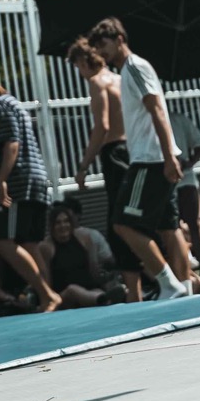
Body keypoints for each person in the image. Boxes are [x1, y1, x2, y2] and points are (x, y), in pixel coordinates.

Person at [86, 17, 191, 301]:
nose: (101, 53)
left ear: (120, 39)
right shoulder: (131, 70)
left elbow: (156, 109)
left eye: (104, 45)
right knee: (169, 227)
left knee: (123, 224)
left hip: (149, 160)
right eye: (97, 48)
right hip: (158, 157)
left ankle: (169, 285)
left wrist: (169, 156)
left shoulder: (133, 68)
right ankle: (186, 289)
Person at [0, 71, 60, 313]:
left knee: (2, 241)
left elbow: (12, 144)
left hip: (21, 183)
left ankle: (46, 294)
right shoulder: (15, 104)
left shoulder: (0, 107)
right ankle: (47, 297)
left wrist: (2, 180)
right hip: (35, 179)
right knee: (29, 243)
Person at [69, 37, 141, 302]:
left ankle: (135, 292)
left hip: (114, 153)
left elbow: (102, 127)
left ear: (83, 61)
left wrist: (84, 165)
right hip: (133, 150)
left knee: (119, 225)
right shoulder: (119, 80)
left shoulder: (97, 83)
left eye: (77, 65)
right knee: (134, 219)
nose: (79, 72)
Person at [39, 203, 120, 308]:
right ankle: (103, 299)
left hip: (87, 289)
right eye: (58, 223)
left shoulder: (84, 239)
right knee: (72, 290)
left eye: (66, 221)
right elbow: (46, 280)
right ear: (52, 226)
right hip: (62, 295)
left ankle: (103, 298)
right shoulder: (46, 247)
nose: (63, 226)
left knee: (96, 291)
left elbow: (93, 270)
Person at [168, 105, 200, 291]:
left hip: (185, 180)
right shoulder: (147, 120)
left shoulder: (179, 119)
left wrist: (188, 163)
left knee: (194, 223)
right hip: (165, 181)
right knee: (172, 227)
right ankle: (183, 267)